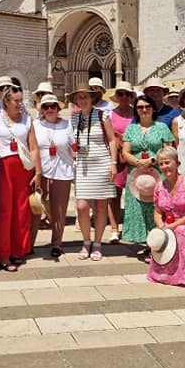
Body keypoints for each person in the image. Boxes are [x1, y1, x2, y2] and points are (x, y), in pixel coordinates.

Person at [0, 82, 40, 270]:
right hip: (3, 167)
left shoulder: (28, 120)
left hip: (23, 167)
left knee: (21, 210)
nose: (20, 104)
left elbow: (33, 147)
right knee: (4, 211)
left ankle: (17, 250)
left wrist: (38, 172)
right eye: (16, 101)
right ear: (6, 101)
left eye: (21, 100)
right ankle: (3, 254)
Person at [69, 83, 118, 261]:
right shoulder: (73, 118)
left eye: (85, 96)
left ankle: (97, 243)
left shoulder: (102, 114)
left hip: (102, 163)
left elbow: (112, 140)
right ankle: (86, 241)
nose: (82, 100)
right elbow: (71, 139)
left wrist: (113, 163)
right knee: (82, 206)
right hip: (83, 165)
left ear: (92, 98)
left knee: (101, 206)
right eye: (79, 97)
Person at [121, 95, 173, 244]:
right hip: (136, 175)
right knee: (138, 208)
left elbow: (168, 149)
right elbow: (125, 152)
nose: (144, 110)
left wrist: (151, 161)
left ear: (153, 109)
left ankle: (157, 241)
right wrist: (138, 163)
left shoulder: (162, 127)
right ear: (136, 110)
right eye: (140, 107)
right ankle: (145, 241)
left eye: (147, 107)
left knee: (156, 207)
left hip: (157, 172)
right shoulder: (131, 128)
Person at [148, 145, 185, 289]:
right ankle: (166, 275)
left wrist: (173, 226)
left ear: (177, 163)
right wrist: (161, 227)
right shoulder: (159, 186)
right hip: (168, 225)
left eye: (167, 162)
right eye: (161, 164)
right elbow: (158, 212)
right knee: (160, 236)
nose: (164, 166)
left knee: (182, 231)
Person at [31, 94, 75, 259]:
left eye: (53, 106)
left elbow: (74, 145)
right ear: (41, 109)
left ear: (58, 108)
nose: (49, 109)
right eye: (46, 106)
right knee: (35, 209)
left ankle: (57, 243)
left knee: (59, 211)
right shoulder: (35, 125)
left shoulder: (66, 125)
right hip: (40, 172)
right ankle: (29, 244)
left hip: (62, 172)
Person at [106, 80, 136, 243]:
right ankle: (114, 229)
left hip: (133, 158)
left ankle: (130, 228)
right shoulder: (110, 114)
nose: (124, 97)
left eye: (127, 94)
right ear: (116, 97)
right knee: (114, 195)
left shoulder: (137, 113)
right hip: (117, 158)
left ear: (131, 96)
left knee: (134, 195)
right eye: (121, 94)